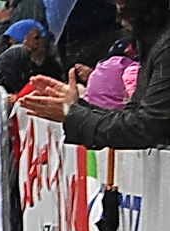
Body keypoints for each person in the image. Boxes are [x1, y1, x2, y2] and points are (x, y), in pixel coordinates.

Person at [19, 0, 170, 148]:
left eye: (123, 7)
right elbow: (134, 115)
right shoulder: (152, 40)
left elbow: (148, 128)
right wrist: (78, 107)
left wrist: (73, 113)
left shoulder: (164, 46)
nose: (119, 17)